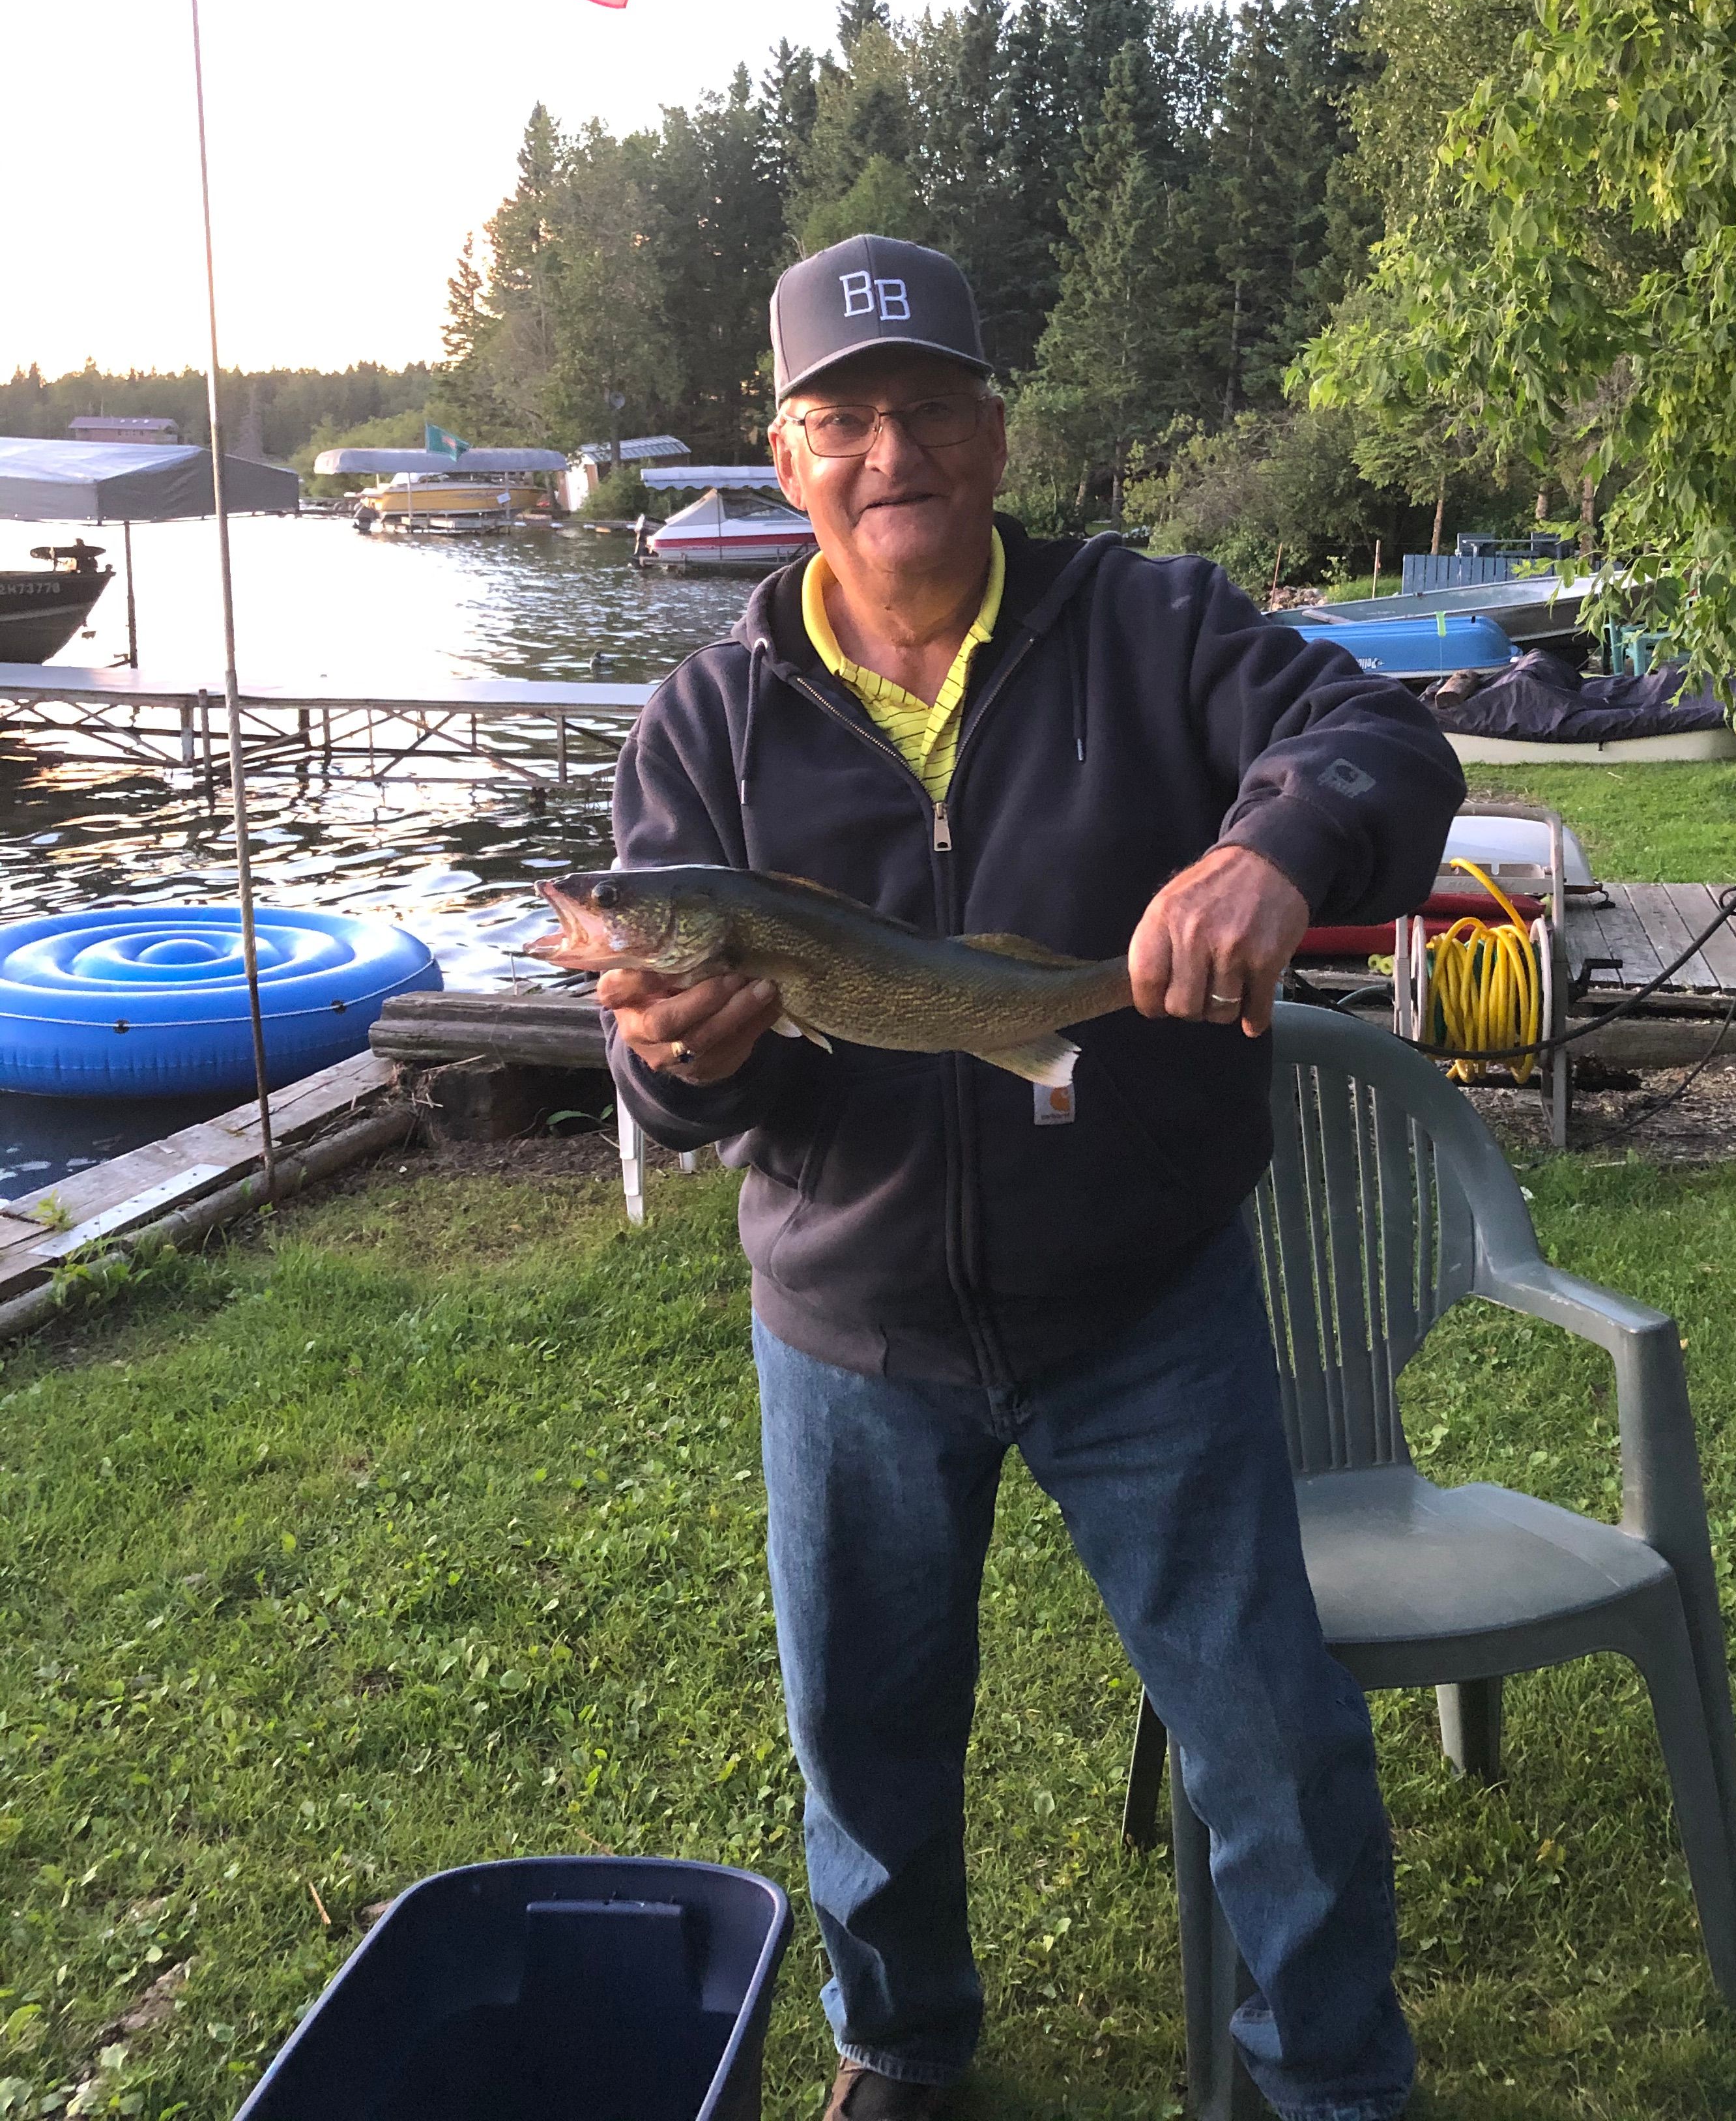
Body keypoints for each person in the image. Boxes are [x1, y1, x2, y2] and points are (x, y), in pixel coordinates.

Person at [603, 235, 1464, 2120]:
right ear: (786, 456)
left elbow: (1380, 734)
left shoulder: (1154, 624)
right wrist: (681, 1063)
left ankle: (1335, 2086)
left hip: (1143, 1303)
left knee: (1273, 1736)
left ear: (996, 434)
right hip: (849, 1329)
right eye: (845, 419)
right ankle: (904, 2048)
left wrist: (1278, 849)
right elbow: (662, 1083)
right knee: (866, 1748)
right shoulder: (705, 722)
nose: (890, 449)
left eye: (928, 405)